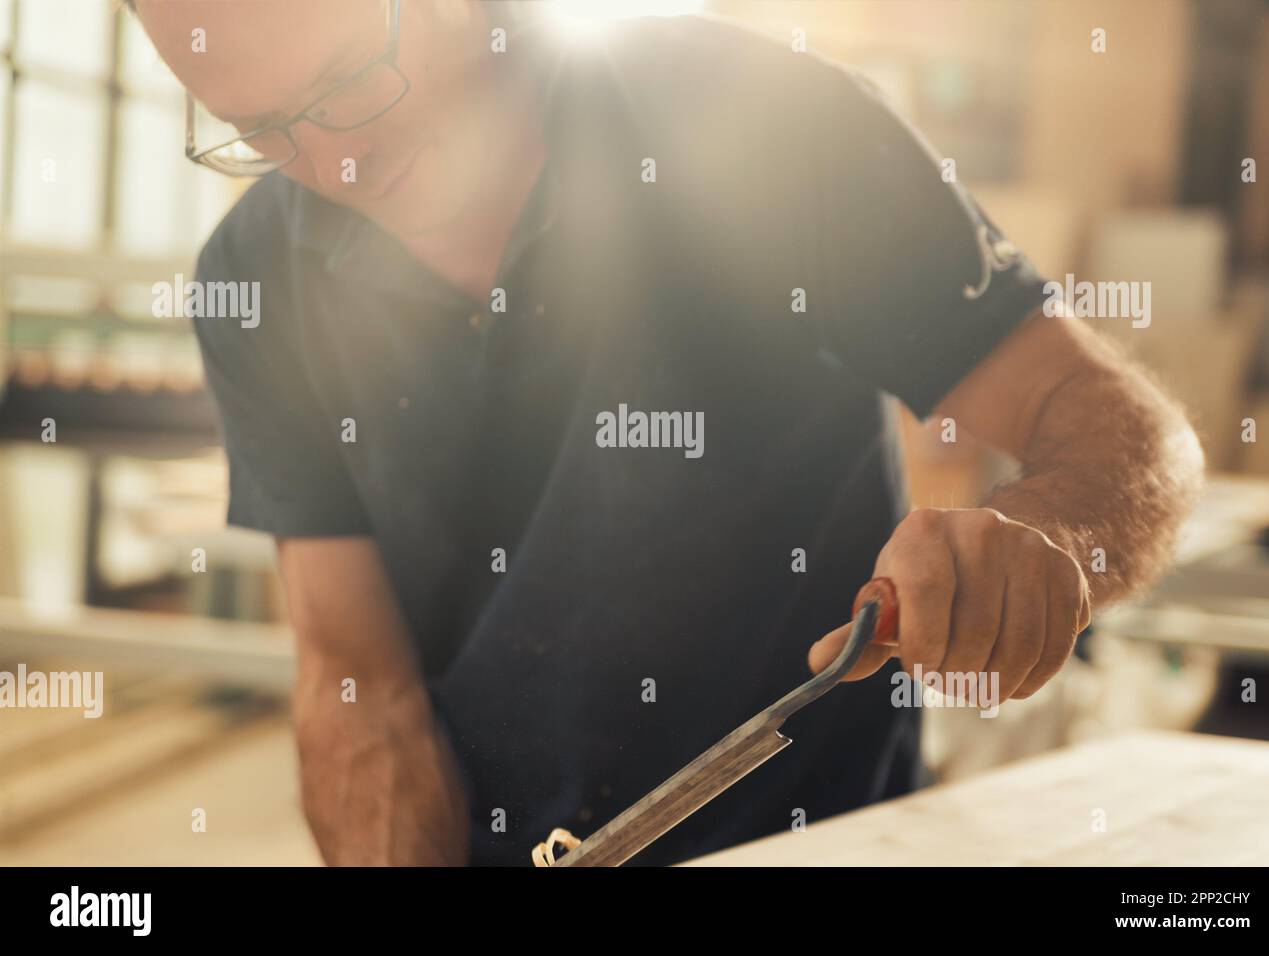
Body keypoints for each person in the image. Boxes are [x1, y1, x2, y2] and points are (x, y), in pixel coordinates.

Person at [128, 0, 1205, 866]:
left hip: (827, 839)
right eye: (261, 132)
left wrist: (1047, 535)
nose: (331, 167)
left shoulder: (762, 124)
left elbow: (1123, 426)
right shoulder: (253, 279)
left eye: (347, 87)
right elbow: (355, 670)